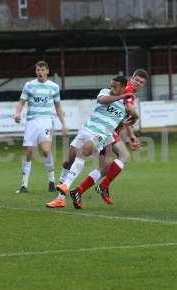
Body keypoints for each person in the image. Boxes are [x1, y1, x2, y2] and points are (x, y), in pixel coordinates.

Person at [46, 69, 147, 208]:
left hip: (105, 133)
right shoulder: (121, 93)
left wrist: (131, 133)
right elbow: (124, 108)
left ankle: (72, 189)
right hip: (95, 130)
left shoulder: (127, 97)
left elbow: (127, 117)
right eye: (136, 80)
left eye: (141, 82)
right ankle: (83, 189)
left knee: (102, 163)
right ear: (131, 79)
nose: (138, 84)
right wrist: (132, 122)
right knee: (72, 161)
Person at [14, 61, 67, 193]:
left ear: (47, 71)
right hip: (32, 122)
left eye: (42, 70)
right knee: (28, 152)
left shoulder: (54, 87)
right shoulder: (29, 85)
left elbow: (58, 106)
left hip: (46, 121)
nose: (40, 72)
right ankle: (24, 185)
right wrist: (17, 113)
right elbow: (21, 102)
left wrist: (63, 124)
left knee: (45, 150)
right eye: (38, 70)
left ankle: (51, 181)